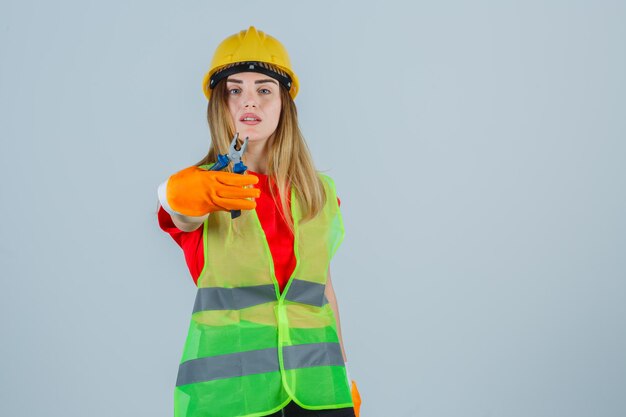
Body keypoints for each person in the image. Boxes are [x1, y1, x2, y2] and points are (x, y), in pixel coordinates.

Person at [157, 26, 361, 417]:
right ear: (221, 104)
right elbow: (181, 215)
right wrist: (171, 193)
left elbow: (324, 292)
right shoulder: (205, 190)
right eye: (235, 90)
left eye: (264, 89)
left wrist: (343, 375)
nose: (249, 100)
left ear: (284, 102)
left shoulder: (317, 193)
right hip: (233, 398)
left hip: (316, 392)